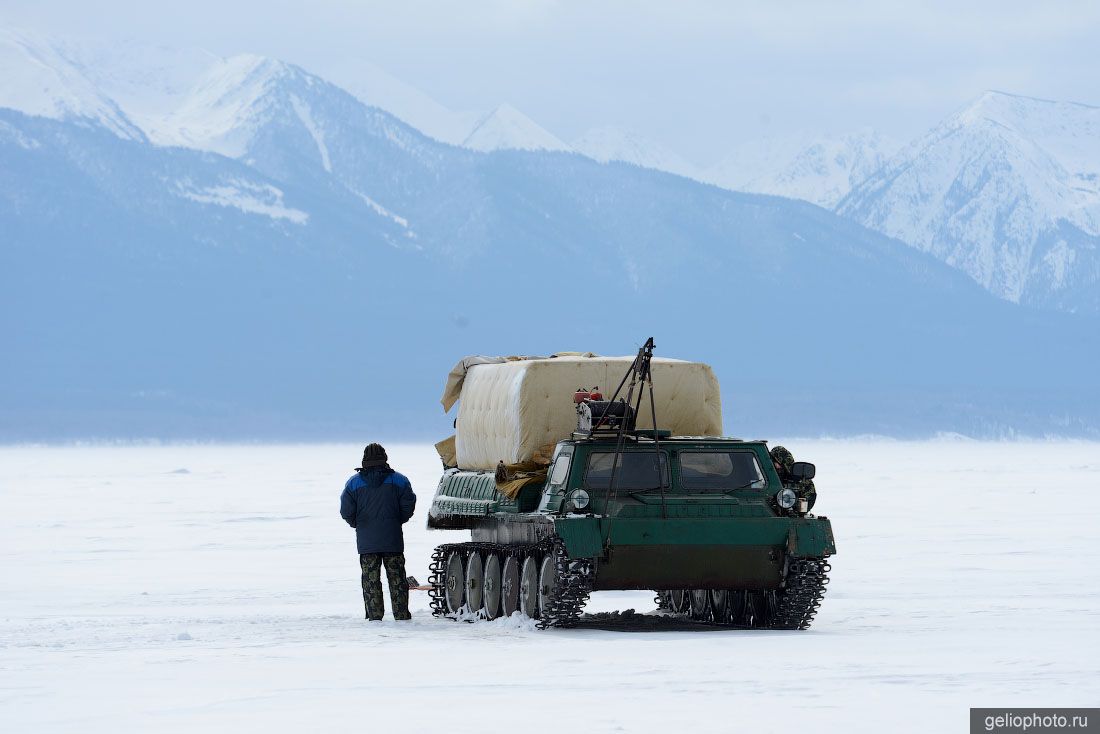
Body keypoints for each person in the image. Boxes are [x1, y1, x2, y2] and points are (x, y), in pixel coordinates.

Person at [340, 443, 417, 620]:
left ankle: (375, 617)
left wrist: (359, 524)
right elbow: (408, 506)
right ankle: (401, 615)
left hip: (367, 542)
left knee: (370, 581)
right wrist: (396, 521)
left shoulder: (353, 483)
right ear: (385, 458)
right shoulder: (400, 480)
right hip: (393, 538)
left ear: (364, 459)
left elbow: (346, 511)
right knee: (397, 578)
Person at [769, 445, 817, 510]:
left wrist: (794, 509)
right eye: (772, 461)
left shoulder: (797, 478)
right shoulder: (763, 473)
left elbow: (809, 496)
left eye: (775, 462)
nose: (775, 465)